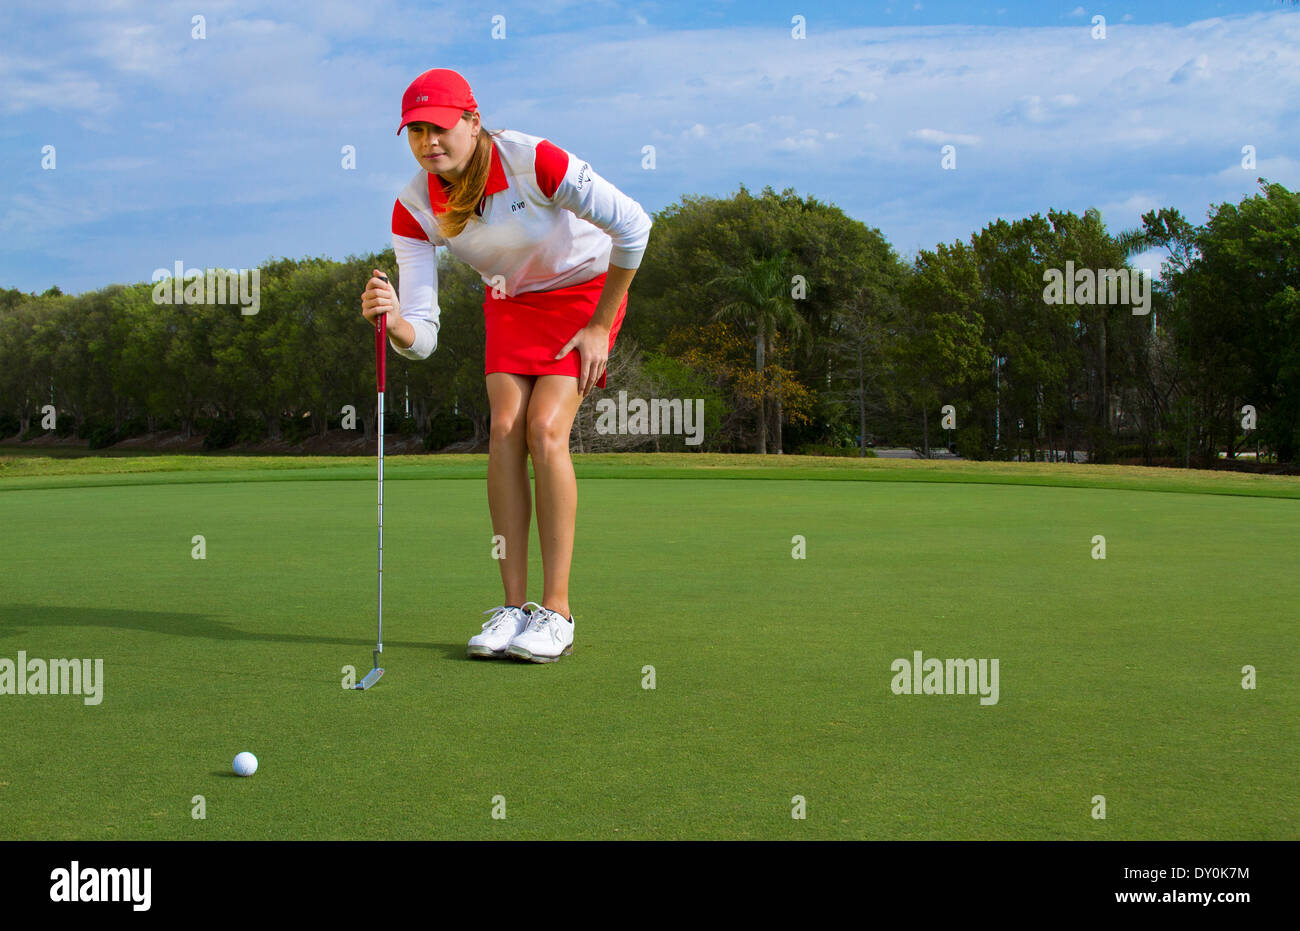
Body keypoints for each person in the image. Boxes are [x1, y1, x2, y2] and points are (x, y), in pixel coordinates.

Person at [359, 68, 652, 663]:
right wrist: (392, 323)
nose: (427, 142)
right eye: (414, 131)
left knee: (545, 429)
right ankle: (514, 609)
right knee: (503, 430)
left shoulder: (533, 161)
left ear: (471, 121)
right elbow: (424, 335)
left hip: (584, 292)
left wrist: (600, 326)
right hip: (512, 302)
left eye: (438, 128)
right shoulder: (413, 206)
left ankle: (557, 611)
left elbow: (634, 227)